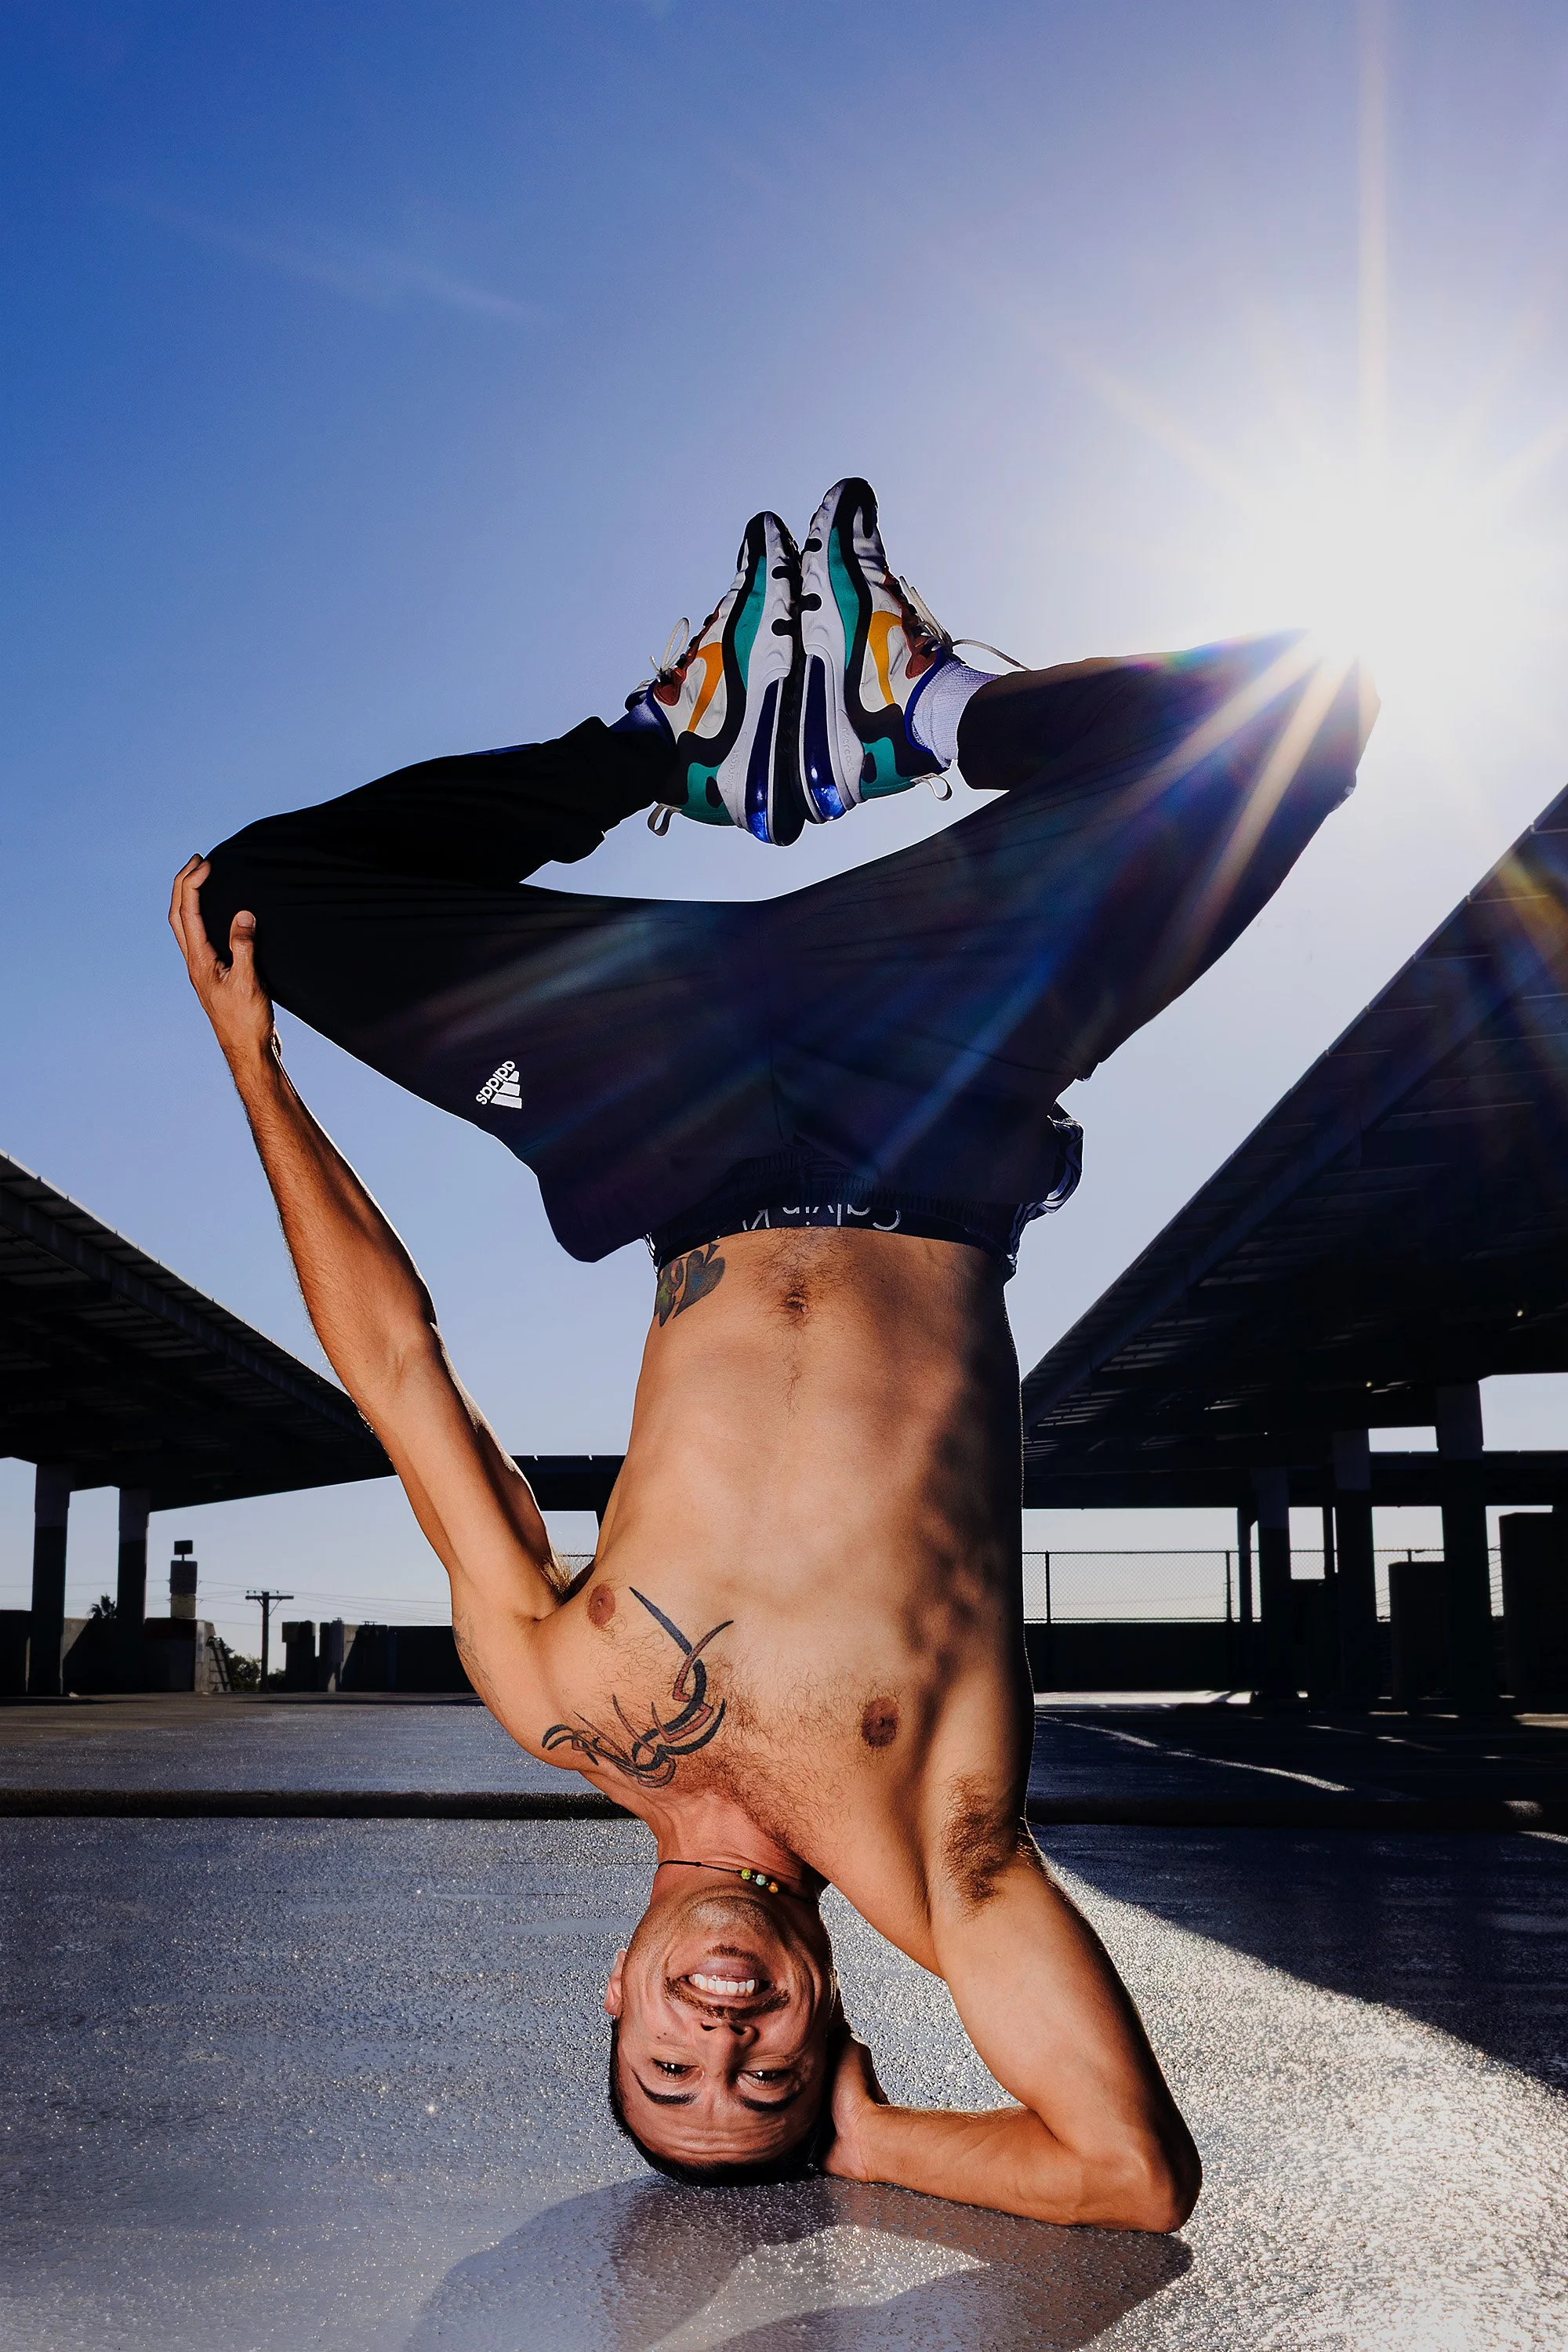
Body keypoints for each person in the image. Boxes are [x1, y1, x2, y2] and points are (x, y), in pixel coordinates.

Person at [170, 478, 1375, 2220]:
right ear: (831, 2035)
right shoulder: (934, 1858)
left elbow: (398, 1369)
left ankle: (668, 745)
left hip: (667, 1121)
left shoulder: (557, 1703)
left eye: (671, 2068)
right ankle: (923, 704)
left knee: (250, 898)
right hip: (937, 1085)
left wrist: (256, 1072)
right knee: (1300, 720)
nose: (721, 2036)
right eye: (766, 2079)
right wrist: (859, 2144)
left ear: (613, 1996)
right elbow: (1127, 2173)